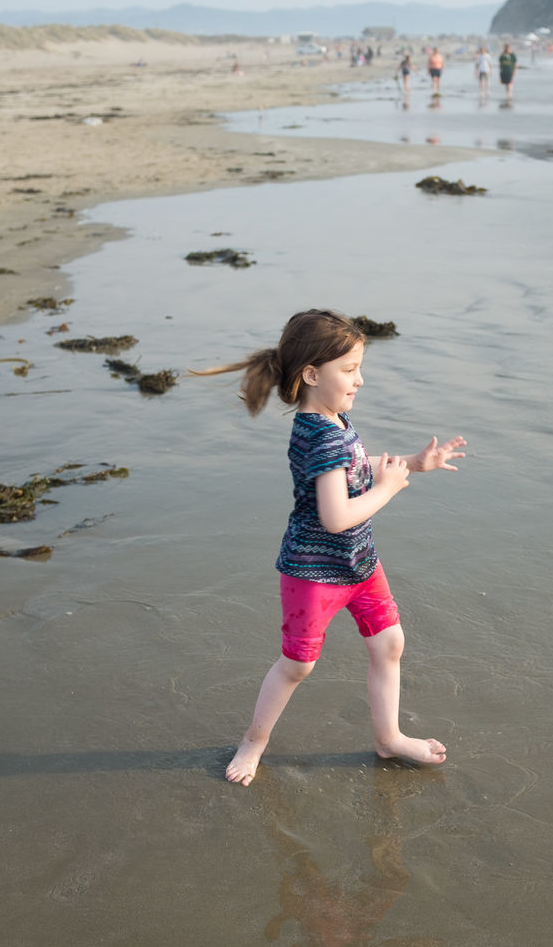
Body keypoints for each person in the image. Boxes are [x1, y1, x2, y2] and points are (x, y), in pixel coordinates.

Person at [190, 309, 467, 786]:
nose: (360, 380)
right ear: (312, 374)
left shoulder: (333, 420)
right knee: (298, 664)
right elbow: (335, 516)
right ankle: (254, 741)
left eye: (359, 368)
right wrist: (390, 489)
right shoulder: (320, 437)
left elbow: (356, 476)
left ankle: (389, 737)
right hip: (313, 571)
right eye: (349, 369)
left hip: (359, 565)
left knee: (389, 643)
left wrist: (412, 464)